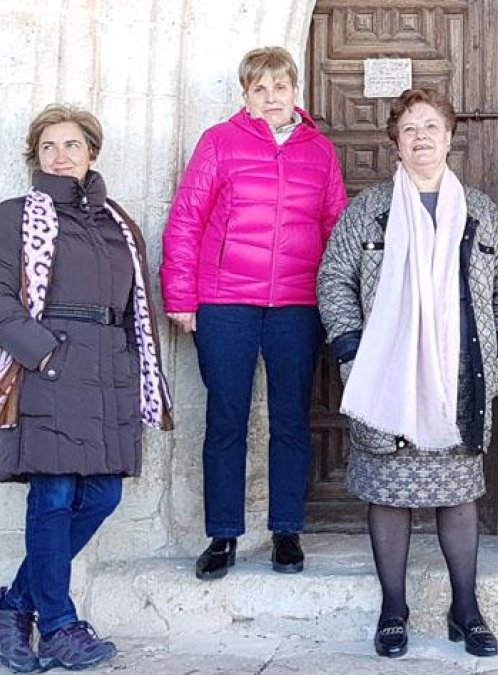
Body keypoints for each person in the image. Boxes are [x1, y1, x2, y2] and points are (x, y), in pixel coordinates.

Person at [317, 87, 498, 659]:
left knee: (458, 494)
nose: (422, 138)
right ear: (395, 143)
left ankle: (466, 609)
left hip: (460, 377)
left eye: (431, 127)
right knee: (389, 491)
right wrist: (353, 353)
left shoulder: (479, 211)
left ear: (450, 137)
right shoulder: (369, 210)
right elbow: (334, 278)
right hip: (385, 375)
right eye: (410, 129)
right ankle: (393, 609)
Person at [0, 104, 173, 672]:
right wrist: (44, 353)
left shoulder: (119, 223)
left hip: (109, 373)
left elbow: (137, 305)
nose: (60, 155)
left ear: (91, 154)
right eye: (48, 148)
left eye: (72, 145)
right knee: (54, 495)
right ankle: (59, 625)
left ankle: (11, 607)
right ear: (36, 158)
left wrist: (139, 369)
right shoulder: (15, 216)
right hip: (51, 369)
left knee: (103, 496)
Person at [161, 46, 347, 581]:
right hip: (225, 302)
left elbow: (337, 230)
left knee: (291, 420)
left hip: (296, 304)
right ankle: (223, 534)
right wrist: (180, 295)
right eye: (259, 89)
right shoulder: (220, 143)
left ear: (296, 92)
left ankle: (286, 532)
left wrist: (337, 306)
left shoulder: (320, 152)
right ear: (245, 95)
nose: (271, 98)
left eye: (280, 87)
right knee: (226, 419)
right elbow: (186, 220)